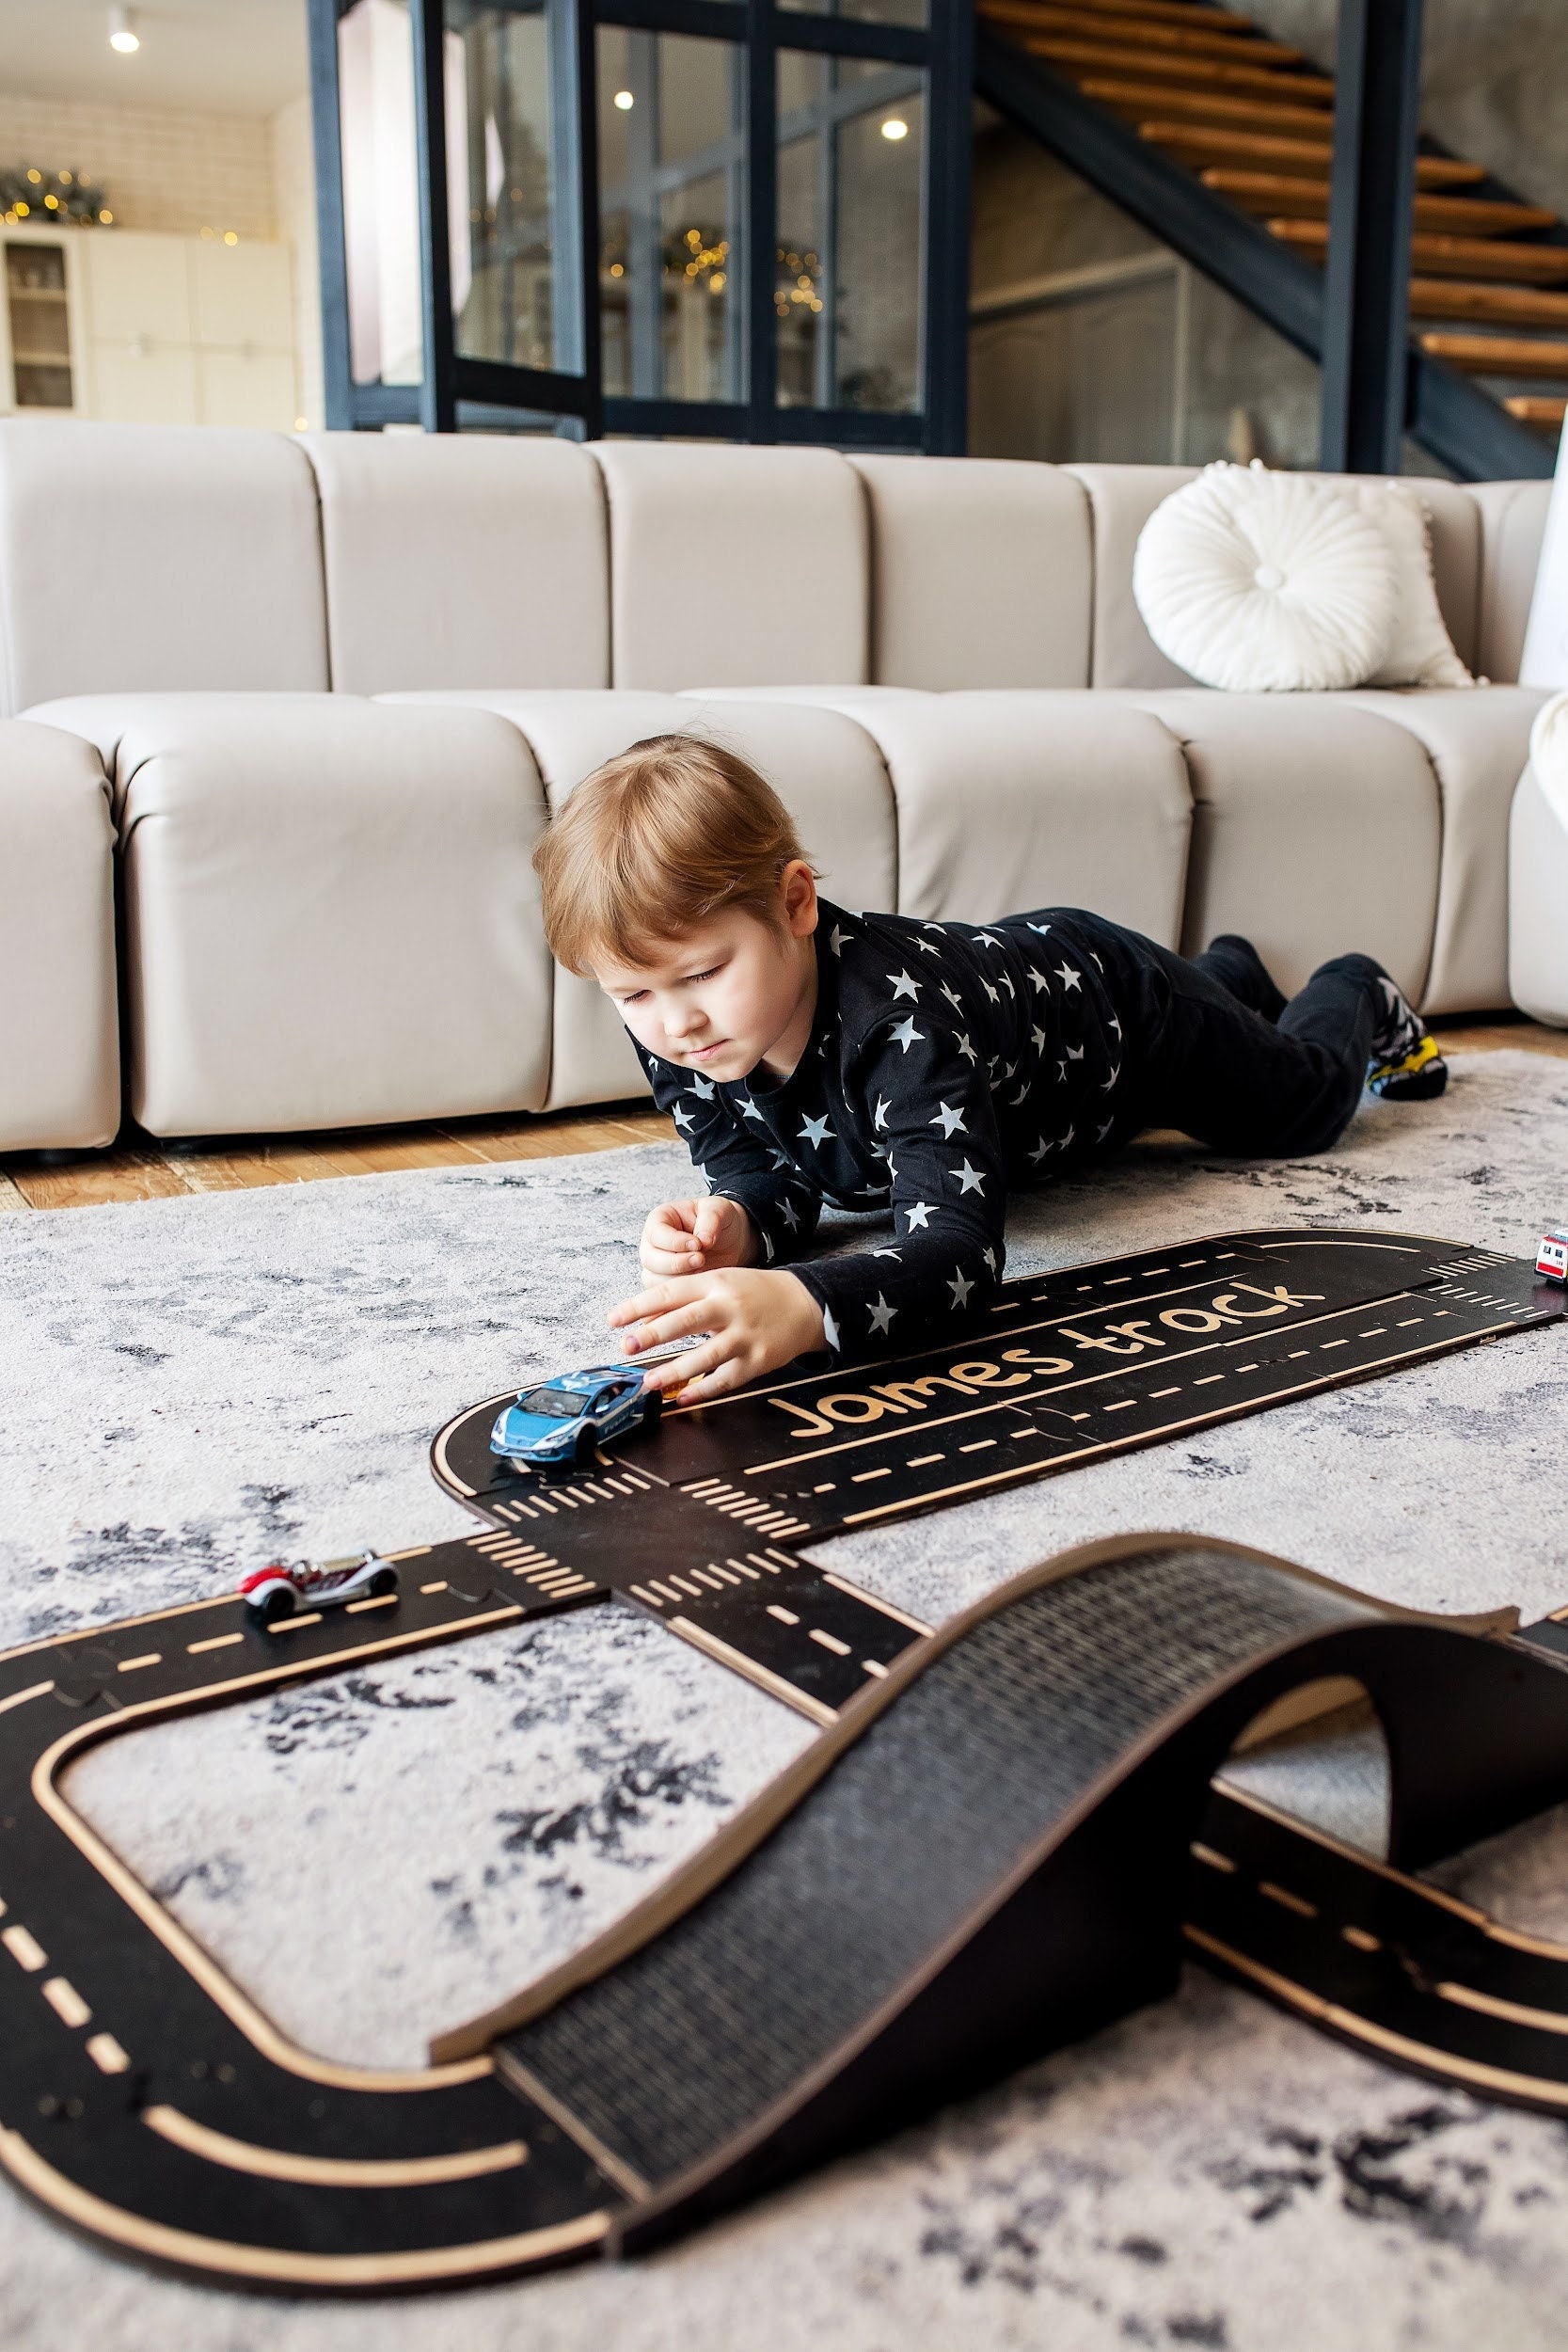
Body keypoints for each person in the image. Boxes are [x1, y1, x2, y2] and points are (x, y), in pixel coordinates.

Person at [532, 734, 1448, 1406]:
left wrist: (811, 1303)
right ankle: (1229, 973)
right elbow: (768, 1165)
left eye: (701, 973)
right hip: (1044, 1055)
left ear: (796, 903)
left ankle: (1348, 986)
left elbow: (960, 1254)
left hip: (1129, 1023)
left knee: (1302, 1108)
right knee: (1226, 1012)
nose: (674, 1020)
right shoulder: (677, 1022)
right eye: (631, 994)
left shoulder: (902, 1031)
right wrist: (736, 1224)